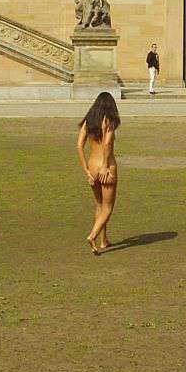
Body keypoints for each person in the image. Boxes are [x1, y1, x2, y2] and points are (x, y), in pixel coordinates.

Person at [76, 92, 121, 255]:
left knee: (99, 204)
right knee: (108, 207)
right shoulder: (109, 121)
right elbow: (107, 144)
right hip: (106, 167)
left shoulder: (88, 121)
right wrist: (105, 166)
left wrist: (86, 171)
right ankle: (93, 236)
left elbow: (79, 146)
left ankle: (103, 240)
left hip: (92, 167)